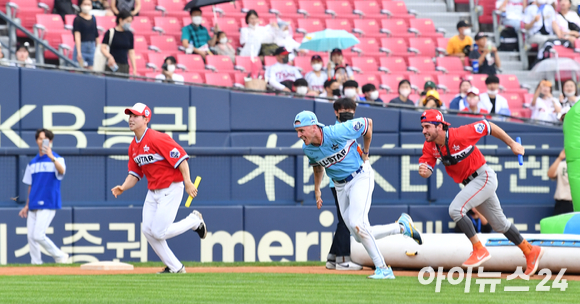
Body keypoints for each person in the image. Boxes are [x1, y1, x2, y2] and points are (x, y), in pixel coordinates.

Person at [294, 110, 422, 279]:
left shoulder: (336, 132)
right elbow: (317, 167)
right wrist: (317, 189)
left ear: (313, 126)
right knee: (358, 235)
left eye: (301, 130)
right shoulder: (308, 148)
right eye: (297, 131)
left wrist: (367, 152)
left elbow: (368, 123)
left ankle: (383, 268)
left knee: (358, 225)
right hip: (340, 186)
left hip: (360, 176)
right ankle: (401, 227)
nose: (299, 135)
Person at [418, 109, 544, 276]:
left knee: (455, 209)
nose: (423, 131)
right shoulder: (429, 146)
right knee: (500, 224)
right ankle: (530, 251)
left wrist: (512, 143)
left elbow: (488, 126)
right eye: (423, 127)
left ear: (439, 126)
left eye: (427, 126)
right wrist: (425, 171)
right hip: (471, 183)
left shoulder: (460, 134)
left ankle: (479, 249)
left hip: (483, 177)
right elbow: (427, 168)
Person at [111, 103, 207, 274]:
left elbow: (181, 158)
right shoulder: (133, 147)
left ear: (146, 119)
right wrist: (123, 187)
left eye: (135, 116)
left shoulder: (157, 138)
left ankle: (194, 221)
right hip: (153, 191)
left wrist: (188, 182)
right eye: (130, 116)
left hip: (171, 187)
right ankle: (176, 268)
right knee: (147, 231)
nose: (131, 119)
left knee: (158, 232)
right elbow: (134, 174)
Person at [18, 129, 69, 265]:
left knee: (38, 235)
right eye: (40, 139)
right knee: (31, 237)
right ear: (36, 141)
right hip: (33, 203)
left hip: (48, 202)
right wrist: (27, 205)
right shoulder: (32, 163)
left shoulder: (57, 158)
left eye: (45, 139)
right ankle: (36, 264)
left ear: (50, 141)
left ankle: (60, 255)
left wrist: (51, 156)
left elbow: (62, 170)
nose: (42, 141)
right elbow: (31, 185)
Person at [326, 98, 363, 271]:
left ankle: (332, 257)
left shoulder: (351, 129)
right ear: (336, 112)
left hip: (345, 181)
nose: (348, 112)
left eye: (351, 109)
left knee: (344, 220)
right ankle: (342, 259)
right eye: (344, 109)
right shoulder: (335, 131)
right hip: (341, 183)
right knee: (346, 221)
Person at [101, 10, 136, 75]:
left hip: (124, 66)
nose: (129, 24)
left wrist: (134, 68)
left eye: (130, 22)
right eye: (127, 21)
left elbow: (131, 52)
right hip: (112, 64)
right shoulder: (110, 32)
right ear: (120, 20)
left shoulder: (130, 34)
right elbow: (103, 48)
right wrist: (110, 57)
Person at [73, 0, 99, 69]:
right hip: (82, 46)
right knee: (79, 69)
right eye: (85, 4)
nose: (87, 6)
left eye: (88, 4)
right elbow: (77, 36)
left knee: (91, 70)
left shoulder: (93, 18)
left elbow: (96, 35)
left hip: (92, 47)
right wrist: (79, 52)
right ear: (81, 5)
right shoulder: (77, 19)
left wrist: (97, 49)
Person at [548, 149, 574, 215]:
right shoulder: (562, 165)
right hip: (562, 204)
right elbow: (550, 174)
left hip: (576, 203)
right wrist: (560, 158)